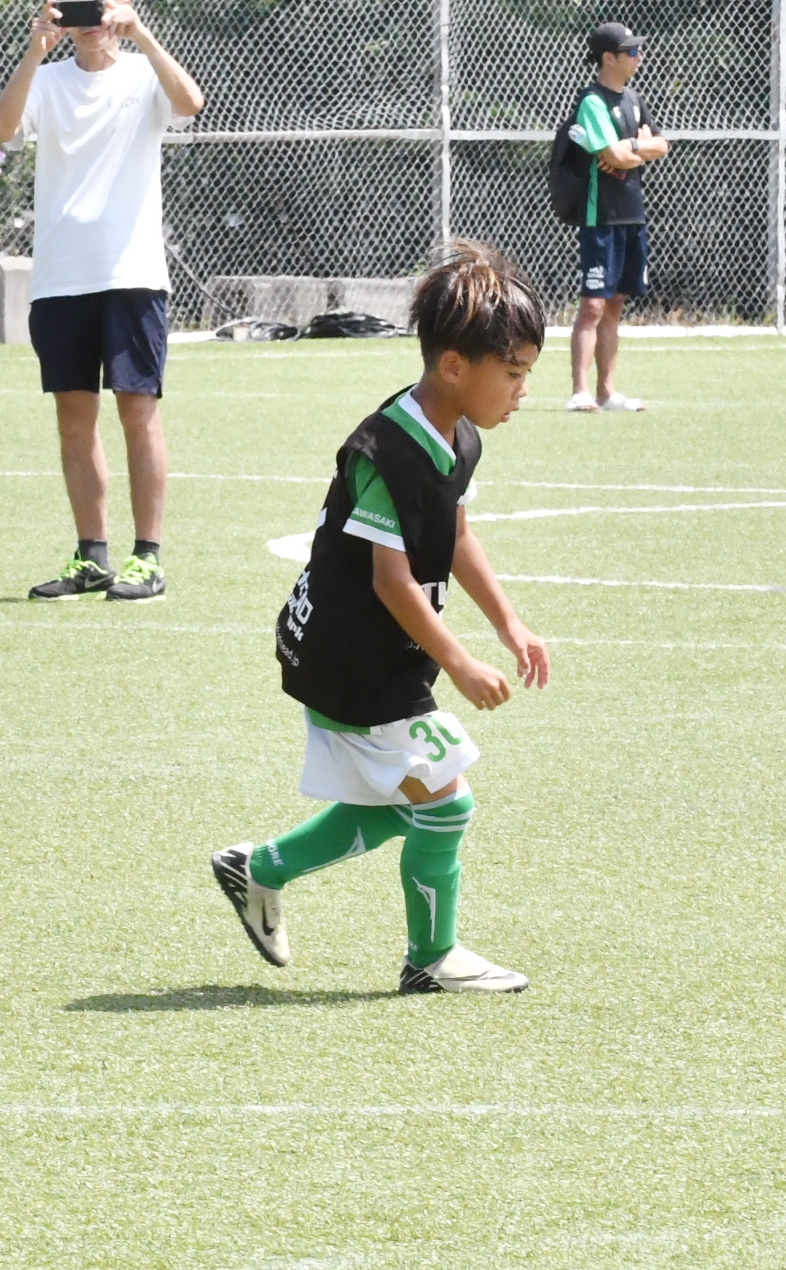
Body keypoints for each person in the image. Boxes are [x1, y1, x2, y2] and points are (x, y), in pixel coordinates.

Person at [212, 244, 554, 994]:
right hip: (349, 657)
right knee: (447, 800)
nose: (524, 391)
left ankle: (259, 868)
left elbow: (455, 532)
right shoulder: (386, 450)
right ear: (455, 366)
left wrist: (510, 624)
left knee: (411, 800)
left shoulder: (458, 435)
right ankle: (431, 960)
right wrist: (461, 662)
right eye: (514, 373)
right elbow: (391, 581)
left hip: (379, 653)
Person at [0, 0, 204, 603]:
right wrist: (34, 52)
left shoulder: (142, 73)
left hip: (132, 272)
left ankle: (148, 558)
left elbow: (190, 103)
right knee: (74, 418)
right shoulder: (46, 79)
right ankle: (92, 557)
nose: (88, 21)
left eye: (98, 7)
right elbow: (1, 130)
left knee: (139, 410)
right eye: (74, 7)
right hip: (61, 276)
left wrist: (143, 35)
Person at [565, 21, 668, 415]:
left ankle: (607, 393)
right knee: (593, 304)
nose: (639, 57)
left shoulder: (634, 99)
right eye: (632, 52)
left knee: (615, 304)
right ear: (609, 58)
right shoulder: (592, 101)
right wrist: (634, 150)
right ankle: (580, 392)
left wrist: (633, 147)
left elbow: (662, 145)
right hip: (602, 216)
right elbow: (614, 157)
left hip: (631, 215)